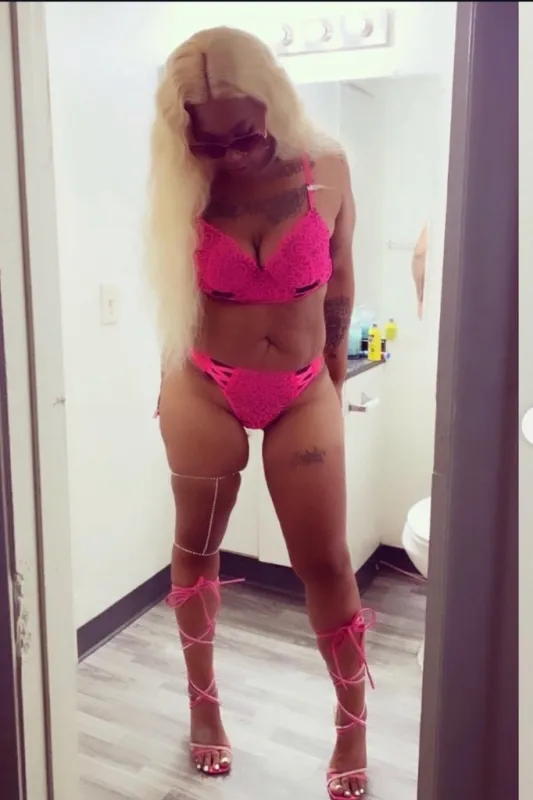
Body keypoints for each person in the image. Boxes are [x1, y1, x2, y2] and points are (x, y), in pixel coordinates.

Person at [146, 26, 375, 800]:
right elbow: (174, 297)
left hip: (302, 387)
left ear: (273, 100)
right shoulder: (183, 182)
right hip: (203, 385)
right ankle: (202, 705)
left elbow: (340, 280)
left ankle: (351, 725)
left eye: (244, 133)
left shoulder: (327, 166)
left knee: (327, 564)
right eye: (210, 141)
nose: (232, 155)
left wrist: (331, 381)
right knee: (196, 550)